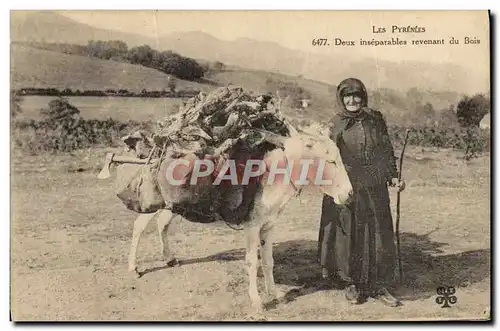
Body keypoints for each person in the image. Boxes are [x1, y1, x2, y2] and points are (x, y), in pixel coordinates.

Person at [318, 77, 406, 307]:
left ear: (363, 97)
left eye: (357, 95)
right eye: (348, 96)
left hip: (375, 185)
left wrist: (393, 176)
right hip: (346, 186)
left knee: (378, 233)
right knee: (349, 234)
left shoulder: (375, 120)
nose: (353, 100)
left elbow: (386, 150)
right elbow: (325, 158)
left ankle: (378, 285)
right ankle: (352, 284)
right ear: (341, 98)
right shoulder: (334, 124)